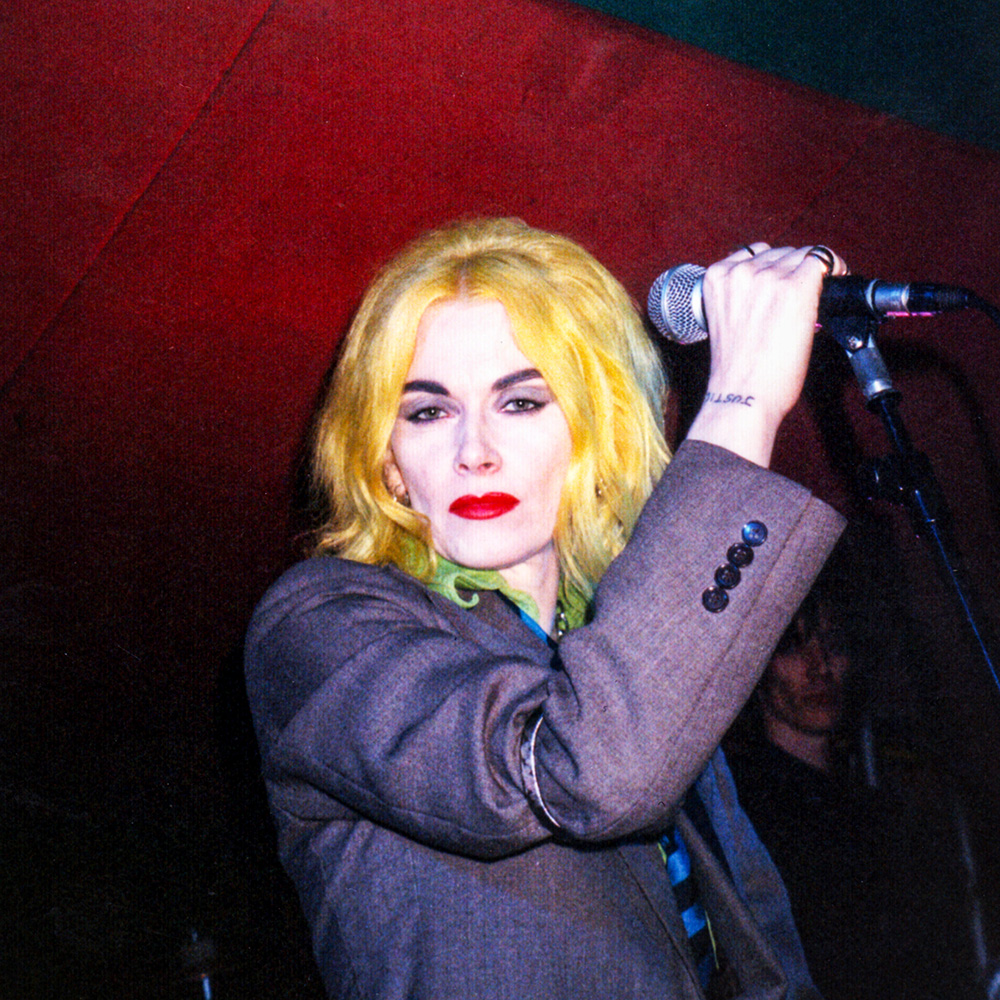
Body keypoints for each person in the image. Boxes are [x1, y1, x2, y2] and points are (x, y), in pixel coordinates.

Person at [245, 217, 847, 999]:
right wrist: (741, 404)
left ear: (598, 429)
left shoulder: (621, 635)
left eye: (522, 402)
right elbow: (582, 769)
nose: (474, 451)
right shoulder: (319, 626)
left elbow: (751, 934)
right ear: (387, 462)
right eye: (427, 412)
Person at [725, 582, 982, 1000]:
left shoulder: (873, 791)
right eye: (792, 646)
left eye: (833, 643)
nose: (820, 666)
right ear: (757, 664)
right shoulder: (748, 805)